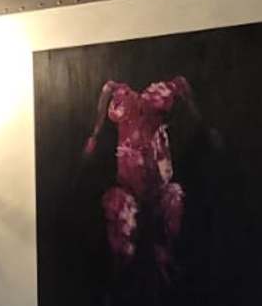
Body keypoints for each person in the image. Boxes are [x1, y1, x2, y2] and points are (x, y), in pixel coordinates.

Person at [83, 75, 202, 279]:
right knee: (121, 217)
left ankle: (166, 265)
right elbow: (107, 88)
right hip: (127, 180)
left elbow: (182, 84)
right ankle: (122, 272)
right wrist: (95, 133)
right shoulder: (116, 90)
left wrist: (200, 123)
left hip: (159, 176)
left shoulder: (165, 89)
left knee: (171, 207)